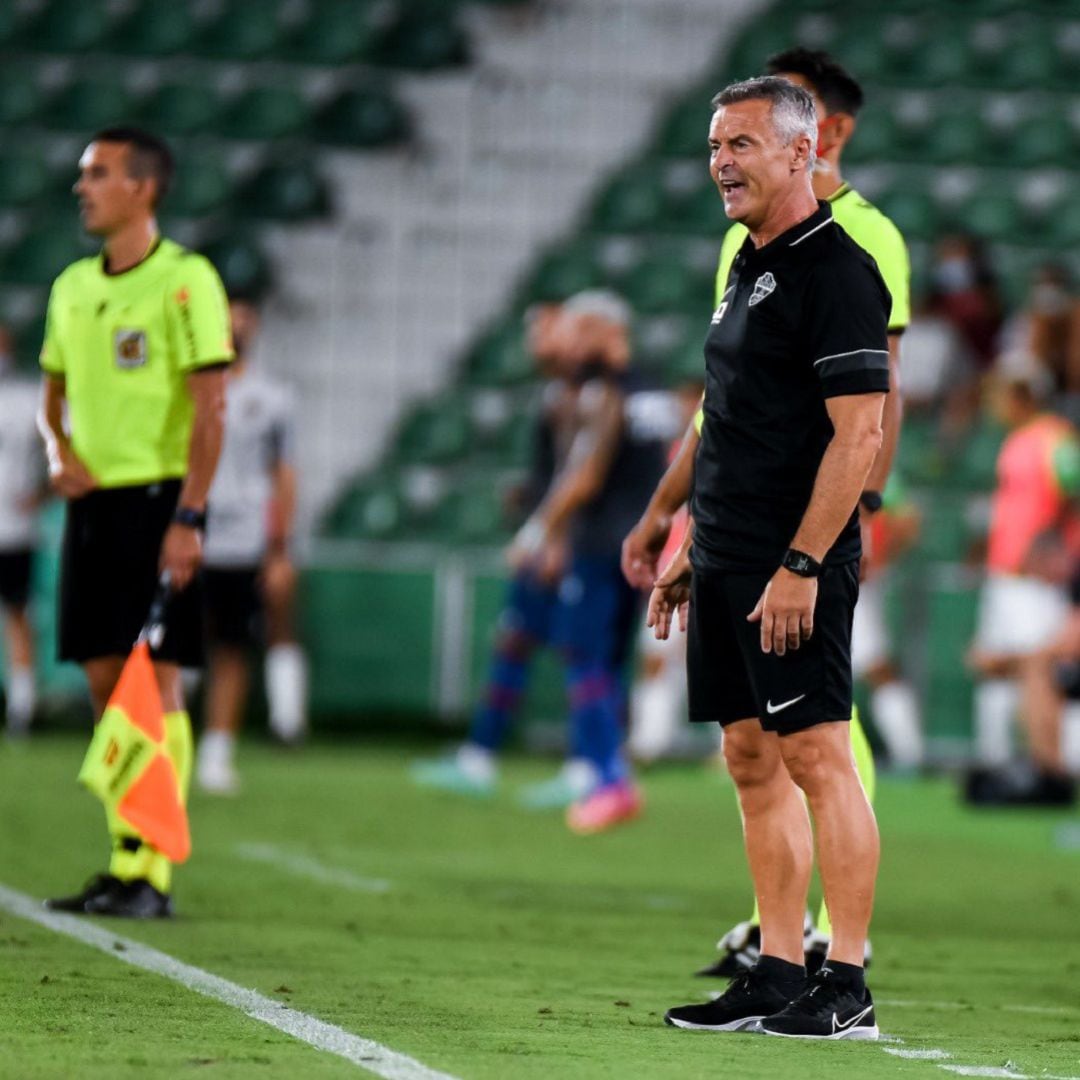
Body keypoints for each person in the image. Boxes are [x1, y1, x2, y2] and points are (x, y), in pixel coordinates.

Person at [622, 47, 907, 979]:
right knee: (750, 758)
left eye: (740, 144)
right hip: (729, 546)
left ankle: (846, 976)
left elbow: (859, 436)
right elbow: (729, 416)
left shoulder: (842, 269)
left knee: (818, 754)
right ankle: (777, 968)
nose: (721, 162)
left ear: (802, 151)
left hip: (793, 557)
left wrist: (803, 563)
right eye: (713, 146)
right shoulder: (748, 263)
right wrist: (689, 538)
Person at [37, 127, 231, 917]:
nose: (82, 187)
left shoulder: (185, 281)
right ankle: (124, 859)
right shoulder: (71, 287)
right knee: (102, 679)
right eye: (83, 174)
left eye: (100, 174)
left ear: (144, 188)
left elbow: (211, 408)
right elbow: (52, 393)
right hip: (92, 507)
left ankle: (147, 871)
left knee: (155, 679)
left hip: (158, 502)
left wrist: (190, 515)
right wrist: (58, 450)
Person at [508, 290, 669, 833]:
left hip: (602, 544)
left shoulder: (605, 393)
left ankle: (608, 779)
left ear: (604, 330)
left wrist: (538, 532)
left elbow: (585, 475)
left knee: (585, 659)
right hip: (646, 544)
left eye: (579, 331)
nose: (570, 344)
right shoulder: (655, 390)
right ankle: (606, 768)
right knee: (613, 662)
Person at [411, 303, 583, 801]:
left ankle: (587, 767)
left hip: (563, 547)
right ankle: (482, 754)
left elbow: (581, 477)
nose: (535, 341)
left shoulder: (579, 395)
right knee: (517, 643)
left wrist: (554, 539)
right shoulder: (555, 392)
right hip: (549, 537)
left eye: (546, 330)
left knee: (580, 653)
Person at [195, 296, 301, 795]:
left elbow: (284, 472)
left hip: (242, 537)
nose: (236, 324)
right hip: (188, 529)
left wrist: (280, 545)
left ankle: (217, 751)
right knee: (170, 644)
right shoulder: (188, 385)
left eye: (244, 315)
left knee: (231, 644)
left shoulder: (273, 396)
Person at [967, 376, 1080, 767]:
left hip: (1034, 578)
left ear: (1023, 395)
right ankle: (998, 762)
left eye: (1000, 395)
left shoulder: (1054, 438)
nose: (995, 405)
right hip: (1005, 572)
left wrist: (1050, 547)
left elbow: (1073, 492)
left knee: (1040, 667)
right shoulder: (1016, 439)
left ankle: (1054, 765)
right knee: (992, 665)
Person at [851, 476, 923, 772]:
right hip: (817, 578)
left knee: (877, 668)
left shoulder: (868, 465)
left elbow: (907, 520)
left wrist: (880, 561)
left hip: (850, 582)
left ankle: (909, 754)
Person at [0, 325, 45, 736]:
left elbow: (62, 444)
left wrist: (43, 493)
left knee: (18, 614)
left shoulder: (24, 396)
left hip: (13, 528)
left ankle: (22, 707)